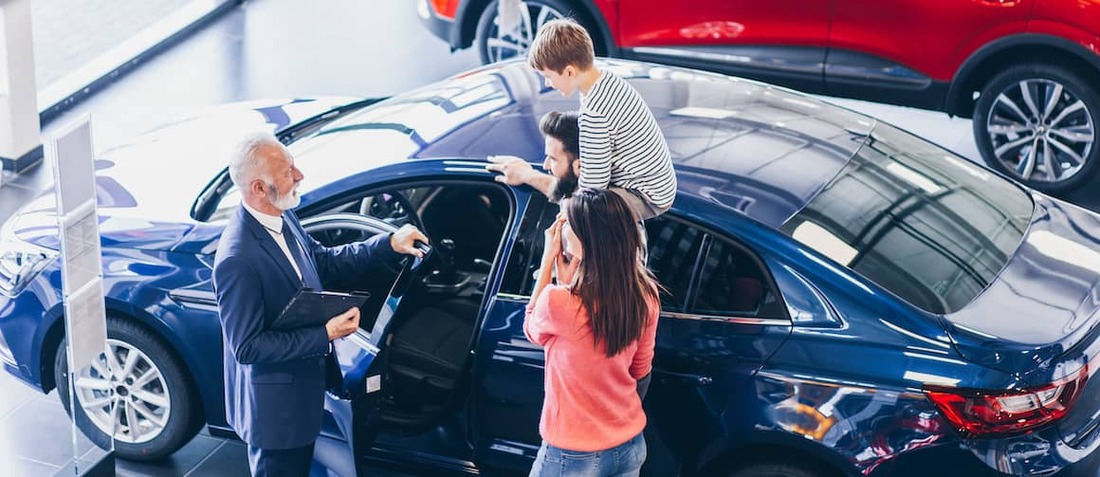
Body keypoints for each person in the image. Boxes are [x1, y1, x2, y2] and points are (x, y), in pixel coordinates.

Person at [213, 133, 428, 477]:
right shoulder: (237, 259)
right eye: (287, 172)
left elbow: (323, 261)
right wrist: (325, 333)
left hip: (304, 396)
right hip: (276, 417)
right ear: (258, 188)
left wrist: (387, 243)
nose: (299, 176)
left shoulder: (282, 216)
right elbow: (247, 347)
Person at [524, 188, 661, 476]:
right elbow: (640, 369)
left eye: (568, 223)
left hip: (572, 454)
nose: (562, 228)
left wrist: (548, 260)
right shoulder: (646, 294)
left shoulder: (558, 302)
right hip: (629, 443)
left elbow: (531, 328)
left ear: (587, 240)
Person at [488, 18, 676, 222]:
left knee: (577, 212)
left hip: (644, 197)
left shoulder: (595, 114)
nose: (548, 83)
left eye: (547, 76)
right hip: (660, 184)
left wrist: (540, 184)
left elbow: (591, 192)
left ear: (569, 71)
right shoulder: (607, 81)